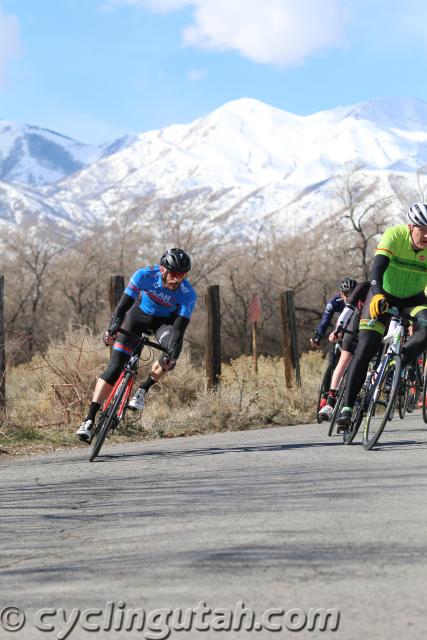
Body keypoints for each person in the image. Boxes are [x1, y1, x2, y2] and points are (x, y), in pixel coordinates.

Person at [76, 248, 197, 442]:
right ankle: (89, 420)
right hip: (137, 318)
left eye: (182, 275)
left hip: (164, 325)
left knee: (171, 355)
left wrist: (172, 352)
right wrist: (112, 329)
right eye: (173, 274)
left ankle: (143, 388)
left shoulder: (188, 293)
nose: (177, 279)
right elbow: (122, 307)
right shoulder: (144, 276)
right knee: (114, 368)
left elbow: (179, 329)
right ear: (162, 270)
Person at [336, 203, 427, 430]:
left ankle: (396, 366)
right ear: (410, 227)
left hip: (413, 300)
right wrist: (376, 295)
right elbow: (376, 269)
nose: (426, 235)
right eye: (422, 229)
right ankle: (347, 408)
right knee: (366, 347)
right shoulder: (394, 236)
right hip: (383, 295)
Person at [318, 280, 370, 421]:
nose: (348, 296)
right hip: (353, 329)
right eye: (346, 294)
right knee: (344, 358)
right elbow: (345, 314)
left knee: (367, 362)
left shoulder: (373, 290)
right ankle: (330, 402)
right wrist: (336, 331)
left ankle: (364, 395)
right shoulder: (361, 290)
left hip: (370, 330)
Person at [311, 278, 358, 409]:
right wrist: (317, 337)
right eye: (347, 294)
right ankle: (325, 398)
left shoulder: (360, 301)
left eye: (352, 294)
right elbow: (325, 321)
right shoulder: (334, 303)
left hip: (355, 331)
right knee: (332, 363)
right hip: (340, 331)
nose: (349, 297)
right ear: (341, 294)